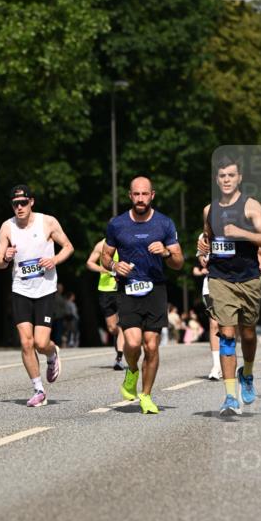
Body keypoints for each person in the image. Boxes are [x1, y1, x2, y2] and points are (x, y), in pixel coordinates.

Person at [201, 156, 261, 416]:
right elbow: (208, 239)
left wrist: (243, 233)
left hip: (249, 279)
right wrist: (203, 247)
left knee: (248, 334)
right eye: (222, 176)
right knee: (227, 334)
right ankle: (230, 396)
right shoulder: (209, 210)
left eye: (231, 175)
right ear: (216, 179)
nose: (226, 180)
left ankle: (248, 373)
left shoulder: (250, 206)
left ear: (239, 178)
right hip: (220, 279)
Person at [102, 176, 183, 414]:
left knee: (152, 346)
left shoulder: (164, 223)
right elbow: (105, 257)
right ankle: (132, 370)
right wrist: (115, 267)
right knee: (133, 342)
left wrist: (167, 252)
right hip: (128, 287)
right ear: (130, 196)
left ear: (152, 195)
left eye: (144, 194)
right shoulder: (117, 224)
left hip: (155, 289)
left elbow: (179, 262)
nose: (140, 199)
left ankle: (146, 395)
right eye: (136, 194)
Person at [0, 184, 73, 406]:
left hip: (46, 289)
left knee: (40, 342)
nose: (19, 207)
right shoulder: (7, 227)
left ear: (31, 202)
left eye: (23, 203)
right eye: (15, 204)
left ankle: (51, 354)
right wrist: (6, 257)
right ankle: (38, 389)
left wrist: (54, 260)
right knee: (26, 342)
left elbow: (68, 247)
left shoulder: (47, 222)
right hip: (21, 289)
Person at [86, 238, 124, 370]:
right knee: (112, 328)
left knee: (123, 323)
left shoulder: (126, 242)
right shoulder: (101, 245)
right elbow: (90, 263)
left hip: (123, 288)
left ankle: (119, 357)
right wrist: (101, 268)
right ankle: (121, 338)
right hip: (105, 290)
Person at [193, 235, 222, 379]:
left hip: (233, 283)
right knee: (214, 323)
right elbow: (203, 262)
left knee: (229, 325)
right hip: (210, 285)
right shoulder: (204, 236)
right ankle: (217, 365)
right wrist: (205, 254)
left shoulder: (235, 230)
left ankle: (229, 359)